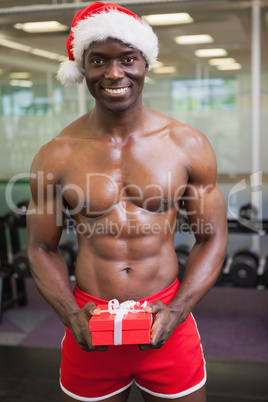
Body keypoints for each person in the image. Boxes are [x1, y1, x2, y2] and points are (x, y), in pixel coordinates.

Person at [26, 2, 228, 402]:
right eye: (98, 60)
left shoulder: (186, 143)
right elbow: (39, 246)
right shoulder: (57, 154)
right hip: (90, 319)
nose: (114, 73)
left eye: (127, 58)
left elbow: (212, 238)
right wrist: (70, 315)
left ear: (145, 64)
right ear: (82, 68)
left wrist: (178, 310)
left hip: (166, 315)